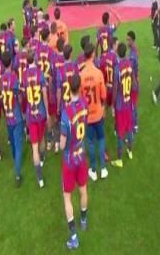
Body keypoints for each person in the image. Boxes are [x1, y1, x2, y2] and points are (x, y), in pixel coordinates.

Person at [60, 74, 89, 250]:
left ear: (69, 88)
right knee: (83, 190)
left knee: (67, 197)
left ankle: (74, 237)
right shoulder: (85, 104)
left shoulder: (66, 112)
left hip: (70, 160)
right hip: (81, 155)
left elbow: (63, 144)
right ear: (80, 87)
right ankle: (84, 220)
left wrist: (59, 144)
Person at [21, 49, 49, 188]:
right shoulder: (40, 73)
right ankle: (42, 159)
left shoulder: (24, 75)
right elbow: (44, 94)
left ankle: (39, 178)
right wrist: (47, 112)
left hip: (31, 114)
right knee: (42, 138)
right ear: (35, 59)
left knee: (34, 146)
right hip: (41, 112)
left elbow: (25, 95)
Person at [80, 43, 108, 181]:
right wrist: (103, 108)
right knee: (101, 139)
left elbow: (80, 98)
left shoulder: (80, 75)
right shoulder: (98, 73)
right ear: (92, 54)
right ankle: (103, 168)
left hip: (87, 115)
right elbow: (103, 95)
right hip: (98, 113)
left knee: (90, 142)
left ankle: (93, 170)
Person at [0, 52, 24, 187]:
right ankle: (17, 174)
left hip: (8, 116)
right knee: (18, 145)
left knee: (13, 144)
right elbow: (19, 96)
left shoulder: (1, 79)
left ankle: (15, 161)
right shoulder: (14, 78)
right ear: (11, 62)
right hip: (16, 116)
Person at [111, 43, 135, 168]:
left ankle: (119, 159)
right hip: (129, 103)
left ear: (117, 54)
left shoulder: (117, 68)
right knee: (129, 128)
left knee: (120, 132)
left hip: (120, 105)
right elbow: (134, 84)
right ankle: (130, 151)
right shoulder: (130, 64)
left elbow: (115, 89)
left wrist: (112, 104)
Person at [126, 31, 140, 134]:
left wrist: (134, 83)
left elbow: (130, 70)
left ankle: (134, 125)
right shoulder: (134, 49)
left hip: (133, 83)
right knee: (132, 104)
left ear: (132, 40)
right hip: (135, 81)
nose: (127, 41)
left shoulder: (132, 55)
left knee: (132, 105)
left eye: (128, 40)